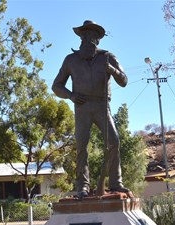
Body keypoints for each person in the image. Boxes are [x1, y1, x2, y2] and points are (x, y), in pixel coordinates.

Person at [52, 20, 129, 198]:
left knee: (114, 142)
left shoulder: (108, 57)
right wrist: (71, 96)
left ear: (98, 40)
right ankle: (83, 187)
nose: (88, 39)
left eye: (92, 36)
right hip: (82, 106)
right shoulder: (71, 60)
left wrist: (111, 69)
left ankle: (116, 183)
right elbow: (56, 86)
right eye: (85, 35)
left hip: (102, 105)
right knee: (81, 146)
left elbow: (124, 81)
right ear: (81, 38)